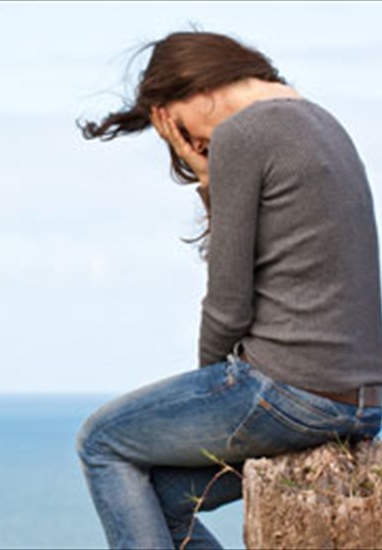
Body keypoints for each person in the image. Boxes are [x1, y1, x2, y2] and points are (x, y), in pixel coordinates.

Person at [75, 30, 382, 549]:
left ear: (195, 89)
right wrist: (209, 178)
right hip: (363, 402)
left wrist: (212, 389)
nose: (195, 145)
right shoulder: (322, 123)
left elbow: (228, 303)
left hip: (292, 397)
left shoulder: (244, 133)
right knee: (159, 500)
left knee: (100, 441)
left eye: (179, 129)